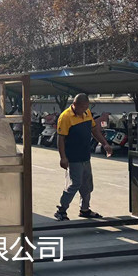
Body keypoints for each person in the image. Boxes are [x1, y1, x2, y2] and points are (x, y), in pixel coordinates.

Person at [54, 93, 113, 221]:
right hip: (73, 157)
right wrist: (63, 157)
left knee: (87, 185)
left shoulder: (87, 113)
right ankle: (61, 210)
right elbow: (61, 138)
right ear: (74, 105)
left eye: (86, 107)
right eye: (82, 107)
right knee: (75, 184)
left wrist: (105, 143)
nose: (84, 110)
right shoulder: (65, 117)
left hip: (85, 156)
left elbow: (94, 130)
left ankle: (84, 209)